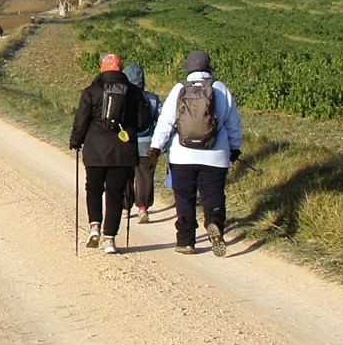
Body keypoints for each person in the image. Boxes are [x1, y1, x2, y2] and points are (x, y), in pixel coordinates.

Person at [148, 49, 244, 255]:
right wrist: (234, 148)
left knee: (184, 198)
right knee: (213, 194)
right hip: (216, 155)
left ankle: (186, 241)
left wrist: (156, 147)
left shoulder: (179, 89)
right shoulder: (221, 89)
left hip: (182, 155)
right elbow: (234, 124)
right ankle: (214, 222)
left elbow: (166, 122)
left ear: (189, 69)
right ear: (208, 68)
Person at [69, 52, 151, 254]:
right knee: (115, 194)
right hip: (122, 152)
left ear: (103, 69)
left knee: (94, 188)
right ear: (120, 68)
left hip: (95, 150)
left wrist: (75, 141)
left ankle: (94, 225)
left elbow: (81, 121)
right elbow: (143, 122)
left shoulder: (91, 91)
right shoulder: (133, 92)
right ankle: (109, 240)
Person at [122, 62, 163, 222]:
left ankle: (125, 208)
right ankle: (143, 208)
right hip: (147, 144)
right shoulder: (152, 99)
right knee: (145, 176)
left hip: (126, 143)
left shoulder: (122, 96)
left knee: (125, 175)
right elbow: (162, 120)